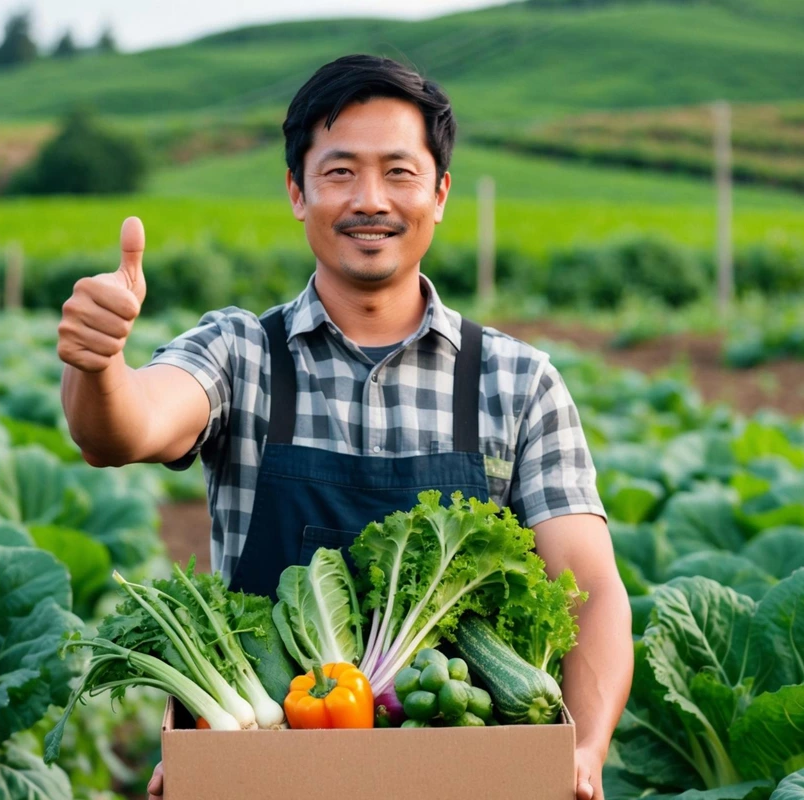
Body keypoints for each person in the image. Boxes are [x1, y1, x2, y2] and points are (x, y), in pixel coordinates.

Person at [58, 54, 633, 800]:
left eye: (399, 172)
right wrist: (98, 364)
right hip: (268, 773)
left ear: (440, 192)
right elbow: (123, 430)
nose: (371, 200)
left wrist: (584, 747)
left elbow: (587, 585)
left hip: (468, 775)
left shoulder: (518, 383)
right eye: (339, 173)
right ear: (297, 192)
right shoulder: (240, 354)